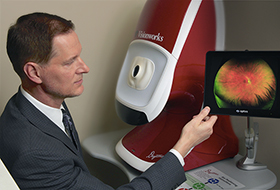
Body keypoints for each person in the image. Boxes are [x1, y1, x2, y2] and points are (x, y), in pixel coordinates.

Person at [0, 12, 217, 190]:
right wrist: (184, 145)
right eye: (69, 62)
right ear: (34, 73)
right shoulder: (34, 153)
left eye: (79, 56)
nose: (85, 68)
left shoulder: (27, 106)